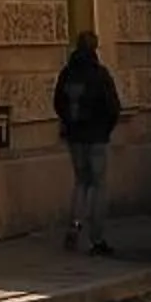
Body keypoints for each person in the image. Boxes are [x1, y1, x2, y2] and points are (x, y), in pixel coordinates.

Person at [53, 30, 123, 256]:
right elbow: (113, 106)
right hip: (97, 137)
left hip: (75, 137)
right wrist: (105, 129)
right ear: (95, 48)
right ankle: (97, 238)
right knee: (99, 185)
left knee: (81, 181)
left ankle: (74, 225)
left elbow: (58, 102)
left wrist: (68, 124)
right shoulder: (100, 74)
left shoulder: (67, 72)